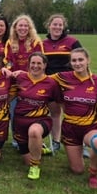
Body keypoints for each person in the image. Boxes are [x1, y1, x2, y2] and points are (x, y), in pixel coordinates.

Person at [51, 48, 97, 184]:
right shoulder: (62, 77)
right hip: (70, 128)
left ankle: (93, 173)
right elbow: (39, 78)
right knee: (77, 170)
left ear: (88, 60)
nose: (77, 63)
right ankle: (79, 150)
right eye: (74, 60)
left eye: (81, 59)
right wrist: (18, 73)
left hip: (91, 127)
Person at [12, 52, 60, 180]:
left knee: (34, 132)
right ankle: (40, 149)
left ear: (45, 65)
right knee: (27, 160)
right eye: (33, 63)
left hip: (41, 121)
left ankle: (35, 167)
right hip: (20, 124)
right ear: (28, 64)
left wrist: (57, 135)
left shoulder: (51, 83)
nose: (35, 66)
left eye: (39, 63)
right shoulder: (20, 77)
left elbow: (55, 111)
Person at [42, 13, 83, 154]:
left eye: (60, 25)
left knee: (73, 114)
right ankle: (56, 141)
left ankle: (80, 143)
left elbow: (81, 61)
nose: (57, 27)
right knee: (55, 113)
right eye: (55, 24)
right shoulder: (42, 44)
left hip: (69, 84)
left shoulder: (72, 42)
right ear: (49, 26)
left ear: (63, 26)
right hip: (50, 84)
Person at [4, 14, 43, 150]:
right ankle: (17, 140)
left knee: (31, 112)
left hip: (32, 82)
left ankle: (33, 137)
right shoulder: (10, 42)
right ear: (15, 28)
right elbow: (8, 61)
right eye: (20, 25)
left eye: (26, 26)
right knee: (14, 111)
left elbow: (40, 63)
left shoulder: (36, 42)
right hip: (15, 83)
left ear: (29, 28)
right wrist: (9, 70)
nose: (23, 28)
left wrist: (25, 73)